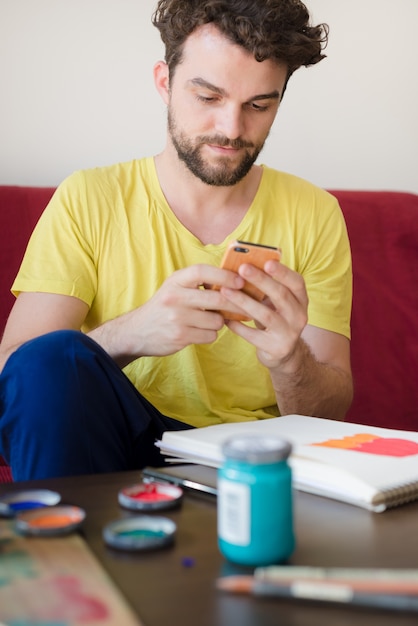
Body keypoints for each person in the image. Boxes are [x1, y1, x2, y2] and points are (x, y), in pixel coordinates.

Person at [0, 0, 353, 481]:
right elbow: (15, 373)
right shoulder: (89, 197)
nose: (231, 129)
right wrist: (132, 334)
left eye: (258, 105)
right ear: (165, 83)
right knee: (46, 358)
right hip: (114, 443)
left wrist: (289, 359)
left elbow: (328, 416)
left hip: (249, 463)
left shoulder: (315, 213)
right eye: (208, 97)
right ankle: (63, 554)